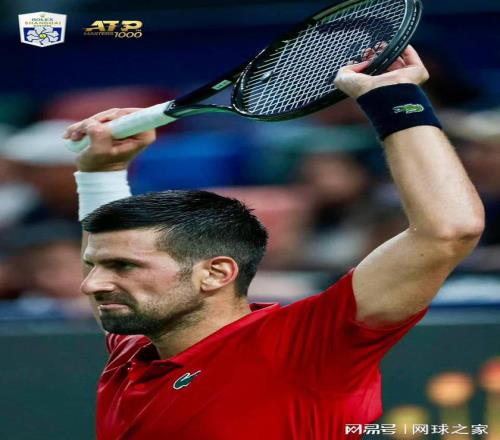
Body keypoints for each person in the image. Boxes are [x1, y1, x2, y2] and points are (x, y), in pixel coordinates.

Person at [65, 46, 484, 439]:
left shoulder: (308, 345)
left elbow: (448, 230)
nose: (90, 284)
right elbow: (107, 262)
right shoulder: (136, 351)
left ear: (216, 273)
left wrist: (395, 98)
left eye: (124, 267)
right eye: (97, 265)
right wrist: (102, 172)